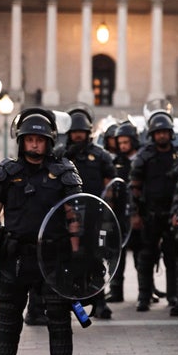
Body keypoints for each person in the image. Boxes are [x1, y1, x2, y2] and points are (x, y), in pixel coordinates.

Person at [0, 108, 83, 355]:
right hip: (16, 255)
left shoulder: (64, 172)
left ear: (49, 142)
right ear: (21, 141)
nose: (34, 144)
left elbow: (74, 218)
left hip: (53, 256)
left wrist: (77, 257)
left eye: (40, 139)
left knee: (58, 316)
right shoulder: (7, 172)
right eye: (29, 139)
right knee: (9, 314)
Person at [56, 104, 116, 320]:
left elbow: (110, 188)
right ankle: (65, 303)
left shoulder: (101, 156)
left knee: (96, 260)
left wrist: (108, 216)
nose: (78, 136)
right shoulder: (59, 156)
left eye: (81, 132)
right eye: (74, 132)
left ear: (88, 132)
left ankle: (99, 301)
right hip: (67, 218)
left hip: (94, 217)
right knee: (67, 261)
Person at [129, 111, 178, 313]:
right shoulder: (144, 156)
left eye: (164, 132)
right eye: (157, 132)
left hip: (172, 213)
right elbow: (134, 187)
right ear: (152, 134)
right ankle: (144, 296)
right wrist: (135, 214)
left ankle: (174, 295)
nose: (161, 136)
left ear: (170, 133)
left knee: (172, 256)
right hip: (149, 213)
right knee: (146, 257)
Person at [105, 121, 141, 304]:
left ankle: (144, 293)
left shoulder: (141, 159)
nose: (123, 146)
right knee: (116, 253)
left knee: (141, 256)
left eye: (126, 142)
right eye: (121, 143)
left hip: (137, 213)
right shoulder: (116, 162)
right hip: (119, 214)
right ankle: (116, 290)